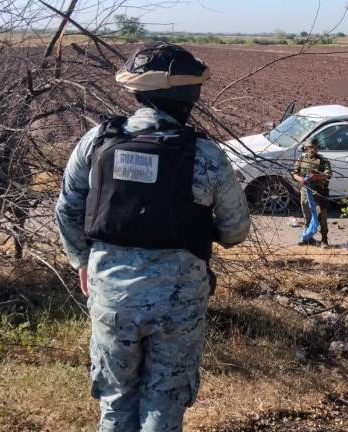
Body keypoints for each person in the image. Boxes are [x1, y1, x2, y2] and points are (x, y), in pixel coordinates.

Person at [54, 43, 250, 432]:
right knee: (164, 402)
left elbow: (67, 209)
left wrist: (81, 260)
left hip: (111, 294)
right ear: (191, 96)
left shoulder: (97, 142)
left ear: (137, 92)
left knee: (115, 399)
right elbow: (235, 230)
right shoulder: (206, 156)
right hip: (178, 305)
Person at [292, 137, 332, 246]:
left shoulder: (323, 161)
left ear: (318, 148)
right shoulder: (302, 158)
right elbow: (294, 172)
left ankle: (324, 239)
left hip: (319, 192)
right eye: (310, 147)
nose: (313, 149)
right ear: (306, 148)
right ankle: (308, 238)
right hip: (305, 191)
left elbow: (328, 175)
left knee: (321, 216)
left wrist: (317, 176)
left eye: (315, 147)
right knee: (307, 215)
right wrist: (299, 178)